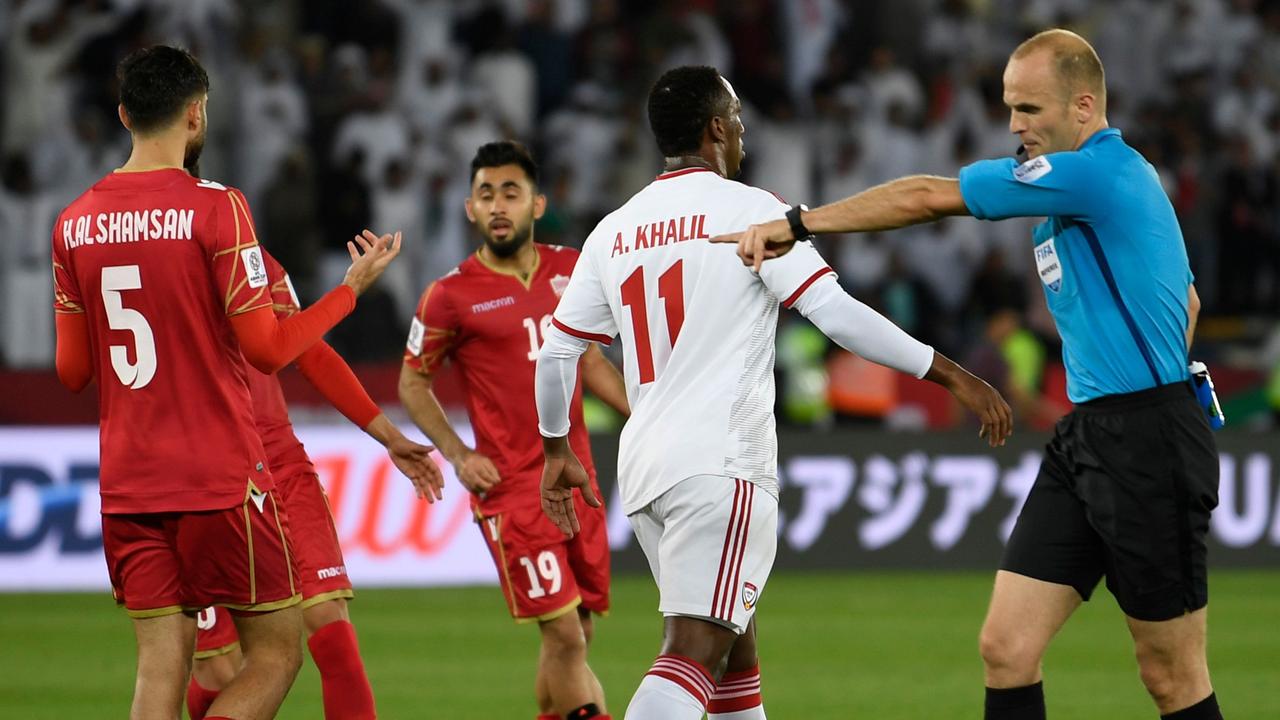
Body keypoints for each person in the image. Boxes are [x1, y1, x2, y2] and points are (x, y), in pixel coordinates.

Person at [716, 29, 1221, 720]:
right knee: (1006, 648)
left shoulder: (1097, 172)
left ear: (1082, 106)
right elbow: (1186, 301)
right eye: (1010, 106)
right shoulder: (1088, 194)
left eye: (1030, 109)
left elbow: (927, 195)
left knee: (1172, 676)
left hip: (1147, 441)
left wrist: (799, 223)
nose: (1014, 124)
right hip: (1092, 435)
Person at [534, 65, 1011, 720]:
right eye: (737, 120)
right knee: (694, 651)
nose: (743, 134)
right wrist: (952, 372)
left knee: (735, 656)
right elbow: (836, 314)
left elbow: (559, 350)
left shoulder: (614, 229)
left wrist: (556, 446)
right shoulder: (751, 211)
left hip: (646, 472)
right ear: (715, 129)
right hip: (722, 464)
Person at [51, 45, 401, 720]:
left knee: (160, 669)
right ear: (195, 114)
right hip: (215, 477)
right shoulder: (217, 207)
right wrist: (348, 293)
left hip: (128, 481)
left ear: (124, 115)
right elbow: (268, 350)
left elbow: (72, 373)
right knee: (275, 652)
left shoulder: (73, 223)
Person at [399, 141, 630, 720]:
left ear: (536, 204)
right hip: (512, 490)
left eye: (511, 192)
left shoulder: (571, 269)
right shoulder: (450, 295)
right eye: (486, 194)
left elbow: (592, 361)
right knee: (567, 640)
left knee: (575, 632)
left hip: (575, 478)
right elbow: (412, 382)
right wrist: (457, 454)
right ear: (469, 209)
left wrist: (647, 413)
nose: (498, 205)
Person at [187, 243, 445, 720]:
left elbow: (306, 350)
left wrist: (387, 434)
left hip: (278, 461)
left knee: (332, 630)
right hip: (204, 475)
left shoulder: (251, 254)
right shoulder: (158, 255)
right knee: (217, 669)